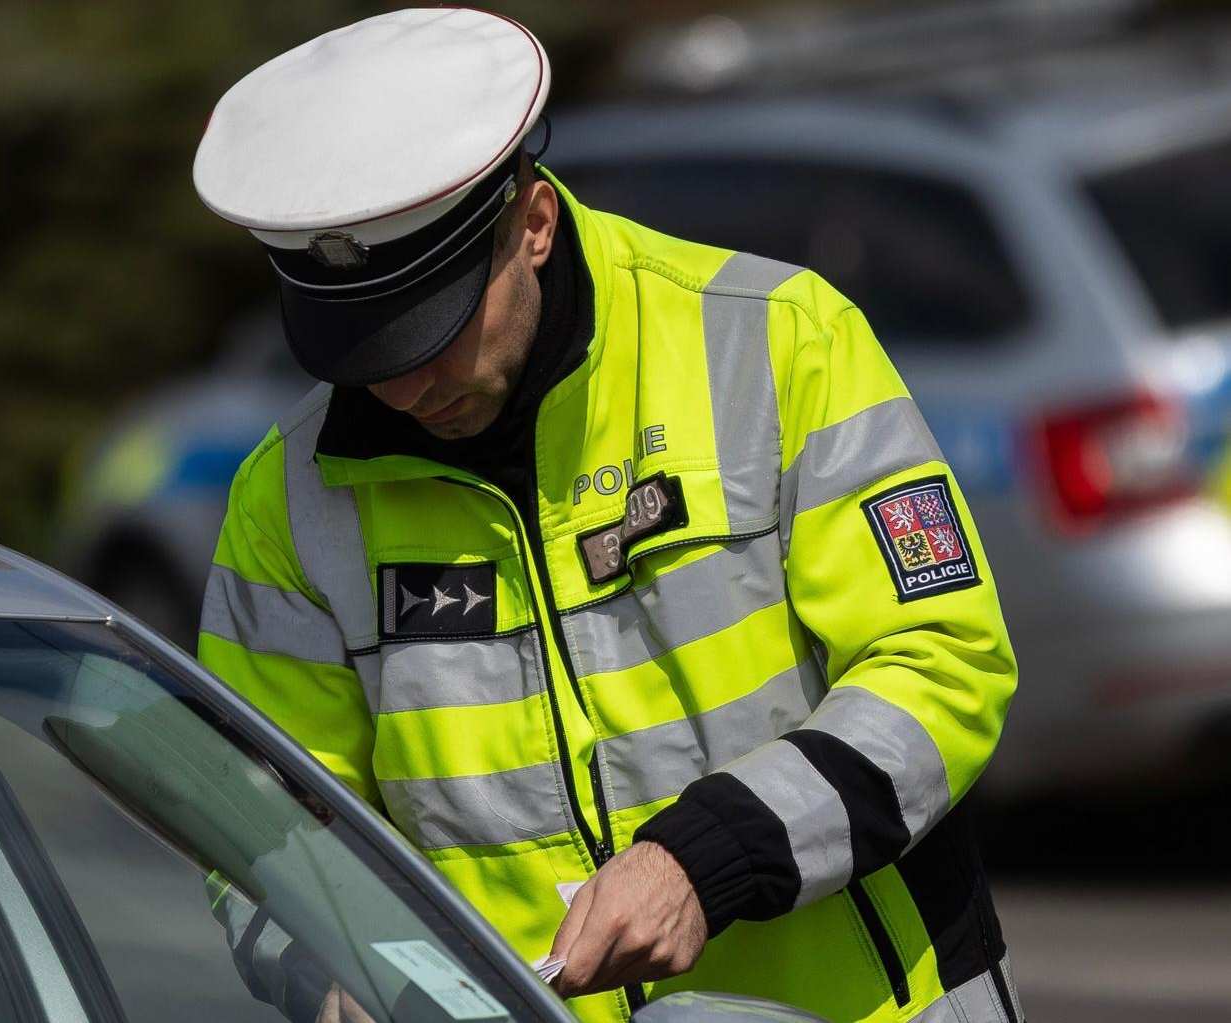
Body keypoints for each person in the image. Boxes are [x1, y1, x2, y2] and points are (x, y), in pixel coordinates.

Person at [192, 9, 1022, 1023]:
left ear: (533, 224)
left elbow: (943, 663)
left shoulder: (777, 343)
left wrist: (704, 858)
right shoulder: (284, 502)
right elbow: (253, 826)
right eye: (360, 348)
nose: (403, 387)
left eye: (431, 330)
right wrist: (333, 973)